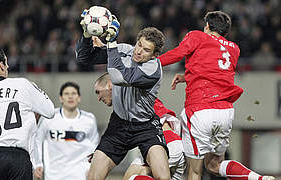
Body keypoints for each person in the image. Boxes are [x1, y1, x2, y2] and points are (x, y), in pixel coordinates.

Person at [157, 11, 275, 180]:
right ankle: (257, 178)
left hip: (199, 109)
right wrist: (186, 77)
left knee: (194, 170)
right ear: (226, 32)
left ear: (207, 26)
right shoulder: (234, 48)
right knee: (214, 165)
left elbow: (178, 53)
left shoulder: (197, 36)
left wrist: (153, 63)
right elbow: (215, 73)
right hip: (225, 111)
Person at [83, 13, 170, 180]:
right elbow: (84, 57)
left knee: (163, 177)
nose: (139, 51)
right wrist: (86, 34)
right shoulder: (125, 50)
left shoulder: (152, 69)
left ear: (153, 55)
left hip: (145, 126)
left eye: (146, 50)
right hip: (119, 124)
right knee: (93, 177)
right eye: (139, 45)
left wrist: (112, 43)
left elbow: (117, 77)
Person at [0, 48, 55, 180]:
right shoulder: (22, 84)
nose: (8, 66)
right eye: (6, 62)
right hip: (18, 158)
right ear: (1, 65)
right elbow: (49, 111)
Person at [94, 73, 186, 180]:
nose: (99, 98)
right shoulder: (136, 101)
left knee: (131, 177)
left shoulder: (132, 100)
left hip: (165, 145)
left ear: (110, 85)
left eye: (98, 92)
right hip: (176, 145)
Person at [33, 82, 100, 180]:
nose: (70, 97)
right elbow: (37, 141)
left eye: (73, 94)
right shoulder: (49, 117)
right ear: (61, 98)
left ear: (79, 98)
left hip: (80, 173)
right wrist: (37, 164)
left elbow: (94, 146)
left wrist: (92, 168)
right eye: (66, 94)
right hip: (54, 174)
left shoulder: (89, 119)